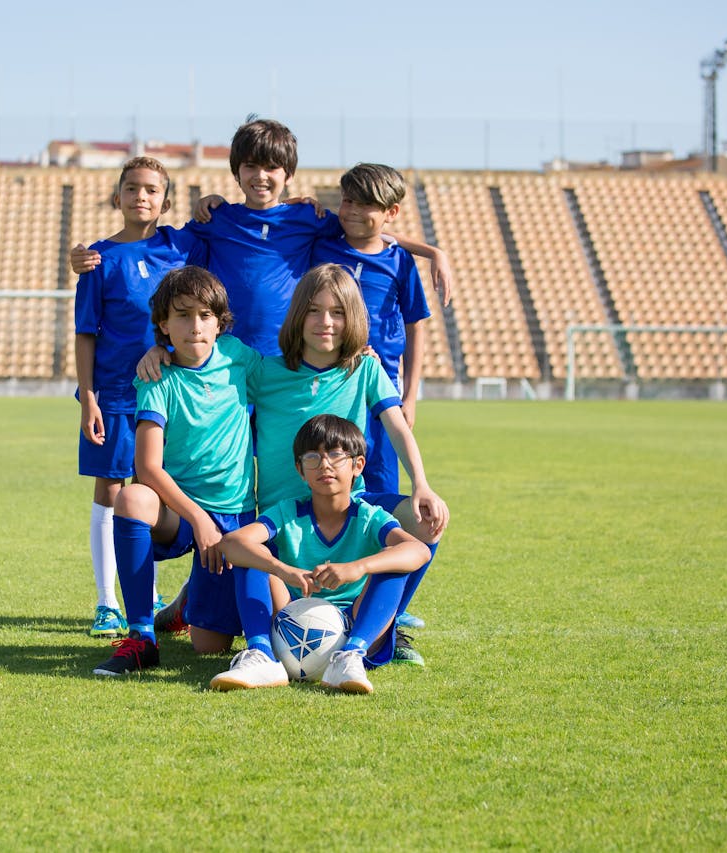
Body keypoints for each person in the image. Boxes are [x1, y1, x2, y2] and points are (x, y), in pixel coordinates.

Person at [211, 263, 449, 687]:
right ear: (298, 315)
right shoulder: (265, 372)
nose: (325, 322)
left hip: (344, 509)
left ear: (352, 317)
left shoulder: (364, 369)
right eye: (315, 310)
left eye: (338, 312)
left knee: (424, 525)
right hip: (284, 519)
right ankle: (259, 652)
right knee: (231, 585)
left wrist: (422, 485)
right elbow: (208, 360)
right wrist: (163, 351)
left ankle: (377, 631)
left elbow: (397, 426)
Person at [72, 117, 454, 360]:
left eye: (272, 167)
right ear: (236, 173)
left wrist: (431, 251)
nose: (261, 176)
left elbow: (367, 228)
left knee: (280, 464)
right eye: (250, 166)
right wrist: (91, 256)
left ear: (288, 174)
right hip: (225, 358)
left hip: (287, 357)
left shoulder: (309, 217)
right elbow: (154, 243)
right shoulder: (217, 217)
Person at [92, 266, 259, 676]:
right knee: (131, 496)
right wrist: (198, 517)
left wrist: (355, 353)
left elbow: (295, 375)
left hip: (234, 516)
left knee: (209, 646)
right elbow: (146, 467)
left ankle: (186, 604)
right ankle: (141, 636)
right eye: (182, 315)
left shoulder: (242, 359)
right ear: (163, 324)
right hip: (179, 513)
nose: (194, 326)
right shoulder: (155, 376)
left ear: (220, 322)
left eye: (205, 316)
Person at [74, 156, 207, 638]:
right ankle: (107, 601)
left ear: (165, 201)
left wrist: (210, 203)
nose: (141, 197)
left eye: (152, 190)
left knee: (151, 493)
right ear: (117, 197)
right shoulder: (98, 259)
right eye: (132, 189)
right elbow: (85, 333)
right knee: (110, 491)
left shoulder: (180, 245)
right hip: (112, 394)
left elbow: (219, 230)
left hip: (168, 393)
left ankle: (143, 593)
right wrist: (88, 397)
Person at [212, 414, 431, 694]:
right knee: (250, 555)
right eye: (313, 457)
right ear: (300, 470)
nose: (324, 465)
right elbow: (231, 544)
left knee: (393, 564)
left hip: (354, 624)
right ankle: (261, 654)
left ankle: (351, 657)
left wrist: (358, 567)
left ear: (358, 465)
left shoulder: (368, 517)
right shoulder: (287, 512)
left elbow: (418, 550)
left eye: (336, 455)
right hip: (290, 620)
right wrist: (283, 569)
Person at [310, 163, 434, 630]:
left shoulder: (400, 261)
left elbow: (415, 323)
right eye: (347, 201)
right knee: (331, 488)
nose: (352, 212)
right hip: (333, 386)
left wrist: (411, 393)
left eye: (366, 205)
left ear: (391, 212)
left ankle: (384, 613)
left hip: (379, 396)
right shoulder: (322, 243)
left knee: (377, 502)